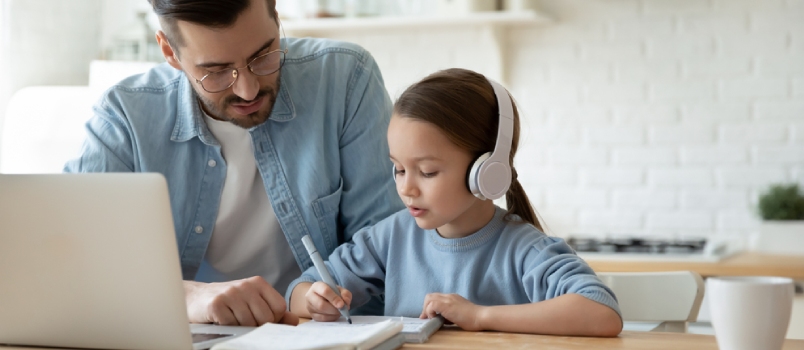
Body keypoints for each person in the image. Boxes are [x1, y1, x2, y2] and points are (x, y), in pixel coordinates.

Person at [64, 0, 402, 326]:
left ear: (276, 17)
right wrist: (186, 298)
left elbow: (388, 241)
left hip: (321, 332)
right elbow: (76, 260)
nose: (248, 89)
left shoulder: (344, 79)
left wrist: (308, 299)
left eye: (263, 55)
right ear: (170, 52)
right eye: (217, 71)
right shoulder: (124, 116)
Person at [287, 68, 623, 336]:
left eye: (428, 172)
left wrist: (480, 316)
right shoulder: (389, 238)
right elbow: (299, 291)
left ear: (487, 171)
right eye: (399, 169)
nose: (407, 188)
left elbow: (601, 312)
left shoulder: (524, 249)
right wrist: (316, 300)